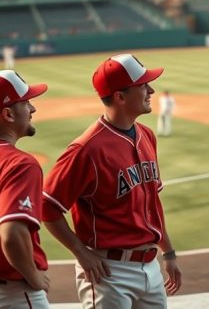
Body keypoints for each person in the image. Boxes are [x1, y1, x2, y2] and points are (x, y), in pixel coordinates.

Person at [41, 54, 182, 308]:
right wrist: (80, 252)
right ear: (120, 96)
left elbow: (152, 204)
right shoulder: (86, 150)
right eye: (143, 85)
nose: (151, 90)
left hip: (150, 266)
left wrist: (168, 252)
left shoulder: (147, 136)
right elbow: (47, 206)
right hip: (109, 273)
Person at [0, 70, 50, 308]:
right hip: (14, 294)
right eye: (26, 102)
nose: (33, 109)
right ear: (8, 114)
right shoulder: (20, 163)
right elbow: (12, 234)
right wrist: (33, 276)